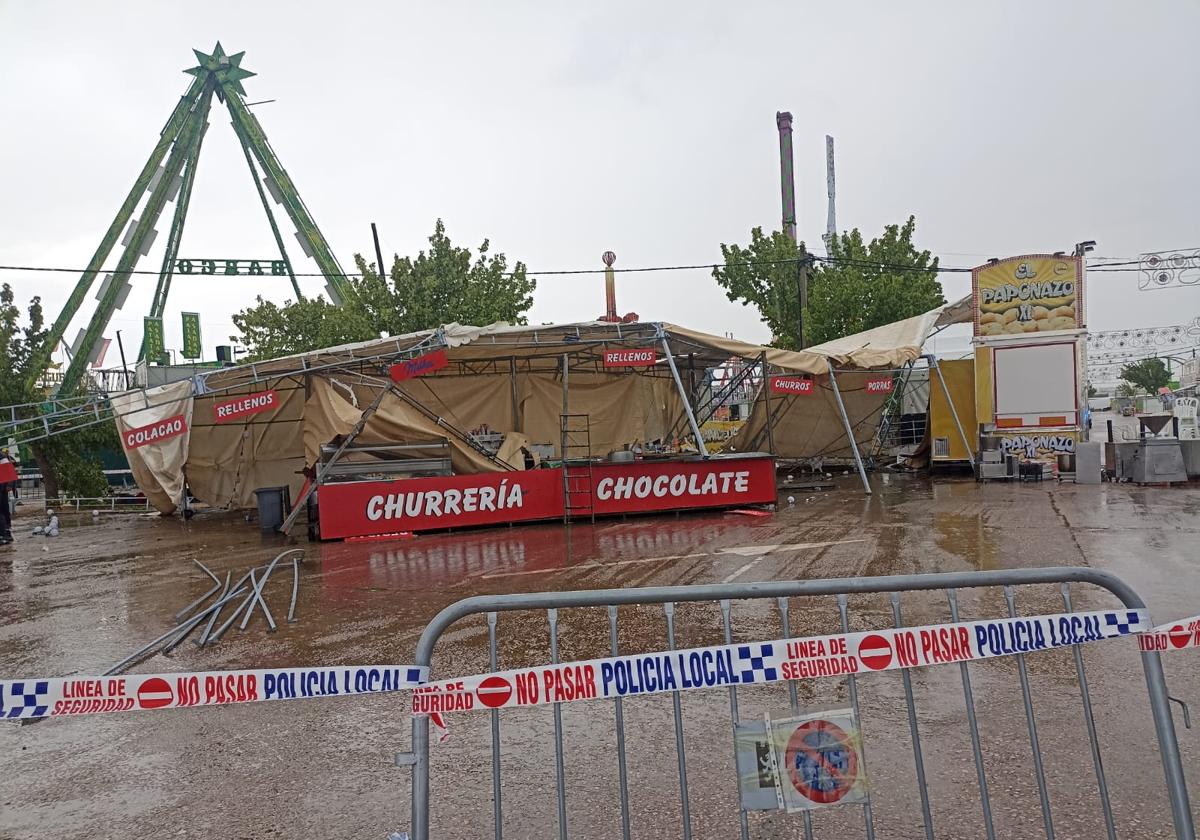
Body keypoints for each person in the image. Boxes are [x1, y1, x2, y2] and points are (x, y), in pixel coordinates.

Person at [0, 448, 15, 545]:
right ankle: (5, 533)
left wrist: (9, 485)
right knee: (3, 511)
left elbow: (9, 471)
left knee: (2, 511)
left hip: (2, 489)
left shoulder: (2, 458)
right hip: (3, 488)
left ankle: (4, 534)